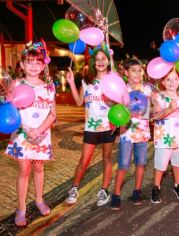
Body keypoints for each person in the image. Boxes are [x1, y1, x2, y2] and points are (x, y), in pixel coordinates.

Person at [5, 42, 56, 226]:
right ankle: (21, 209)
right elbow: (9, 110)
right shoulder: (16, 84)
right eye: (29, 61)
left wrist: (39, 131)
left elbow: (53, 114)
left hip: (41, 135)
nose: (34, 65)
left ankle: (39, 200)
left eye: (38, 62)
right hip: (21, 134)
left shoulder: (49, 87)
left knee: (39, 168)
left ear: (43, 66)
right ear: (22, 64)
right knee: (24, 170)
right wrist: (26, 129)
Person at [65, 45, 117, 207]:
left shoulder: (114, 81)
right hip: (91, 127)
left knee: (107, 158)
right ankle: (74, 188)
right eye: (98, 59)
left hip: (109, 126)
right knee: (84, 160)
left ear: (108, 61)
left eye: (104, 59)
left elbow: (121, 102)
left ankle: (104, 189)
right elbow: (79, 102)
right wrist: (71, 82)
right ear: (94, 62)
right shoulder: (87, 81)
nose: (100, 62)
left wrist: (115, 111)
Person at [110, 58, 153, 210]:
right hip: (126, 133)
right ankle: (116, 194)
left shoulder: (148, 89)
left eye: (139, 70)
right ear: (126, 73)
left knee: (141, 163)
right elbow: (117, 111)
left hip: (142, 132)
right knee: (123, 165)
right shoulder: (122, 90)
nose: (137, 73)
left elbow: (151, 110)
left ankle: (137, 190)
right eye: (133, 70)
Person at [150, 69, 179, 204]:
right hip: (163, 139)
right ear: (162, 81)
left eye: (175, 79)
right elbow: (155, 116)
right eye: (168, 79)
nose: (172, 82)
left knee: (178, 163)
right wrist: (169, 109)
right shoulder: (158, 97)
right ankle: (156, 187)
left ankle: (178, 184)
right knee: (161, 165)